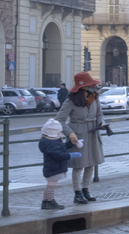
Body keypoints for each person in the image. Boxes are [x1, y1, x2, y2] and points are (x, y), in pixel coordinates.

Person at [56, 72, 109, 204]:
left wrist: (101, 122)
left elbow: (99, 113)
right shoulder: (70, 101)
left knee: (91, 163)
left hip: (93, 132)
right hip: (78, 134)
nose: (93, 86)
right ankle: (77, 192)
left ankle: (86, 189)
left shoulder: (94, 96)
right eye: (90, 84)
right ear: (83, 86)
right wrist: (70, 133)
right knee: (79, 165)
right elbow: (59, 120)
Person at [38, 118, 81, 210]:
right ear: (57, 133)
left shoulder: (48, 142)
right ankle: (50, 201)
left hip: (50, 168)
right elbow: (59, 154)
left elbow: (60, 148)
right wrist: (71, 155)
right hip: (54, 168)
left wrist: (70, 144)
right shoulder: (54, 143)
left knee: (49, 185)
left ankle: (45, 202)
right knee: (51, 186)